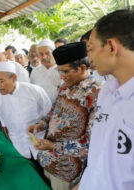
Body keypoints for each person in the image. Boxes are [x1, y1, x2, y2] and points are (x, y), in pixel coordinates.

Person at [28, 42, 100, 190]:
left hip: (66, 170)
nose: (62, 76)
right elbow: (54, 111)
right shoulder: (65, 86)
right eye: (59, 71)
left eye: (65, 71)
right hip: (48, 160)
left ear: (82, 68)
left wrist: (54, 146)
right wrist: (41, 124)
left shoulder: (96, 93)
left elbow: (91, 145)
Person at [77, 9, 134, 190]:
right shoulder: (107, 91)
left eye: (91, 49)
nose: (90, 58)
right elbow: (101, 152)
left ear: (111, 46)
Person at [30, 39, 61, 103]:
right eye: (41, 54)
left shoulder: (62, 70)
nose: (44, 57)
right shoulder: (35, 71)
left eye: (47, 53)